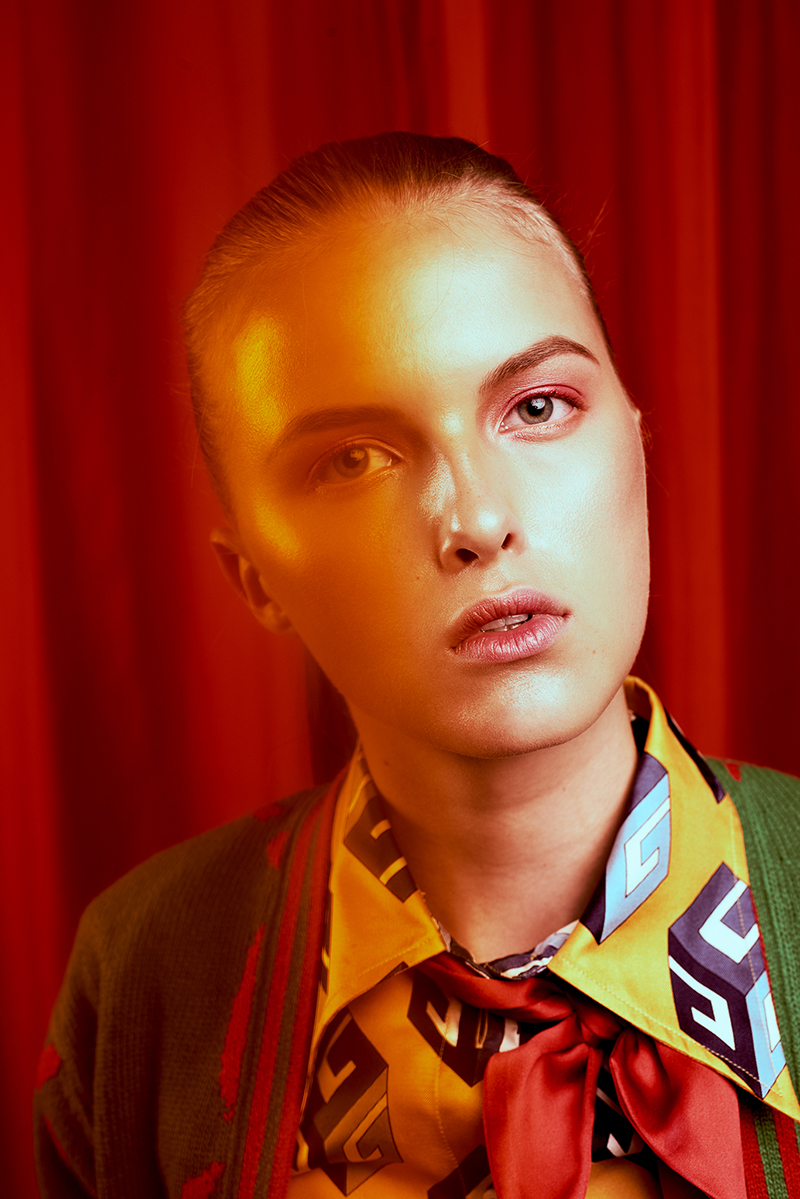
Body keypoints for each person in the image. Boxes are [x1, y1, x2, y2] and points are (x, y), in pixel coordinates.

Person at [33, 132, 800, 1199]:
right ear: (254, 575)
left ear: (635, 439)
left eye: (537, 407)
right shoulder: (141, 977)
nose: (476, 520)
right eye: (353, 459)